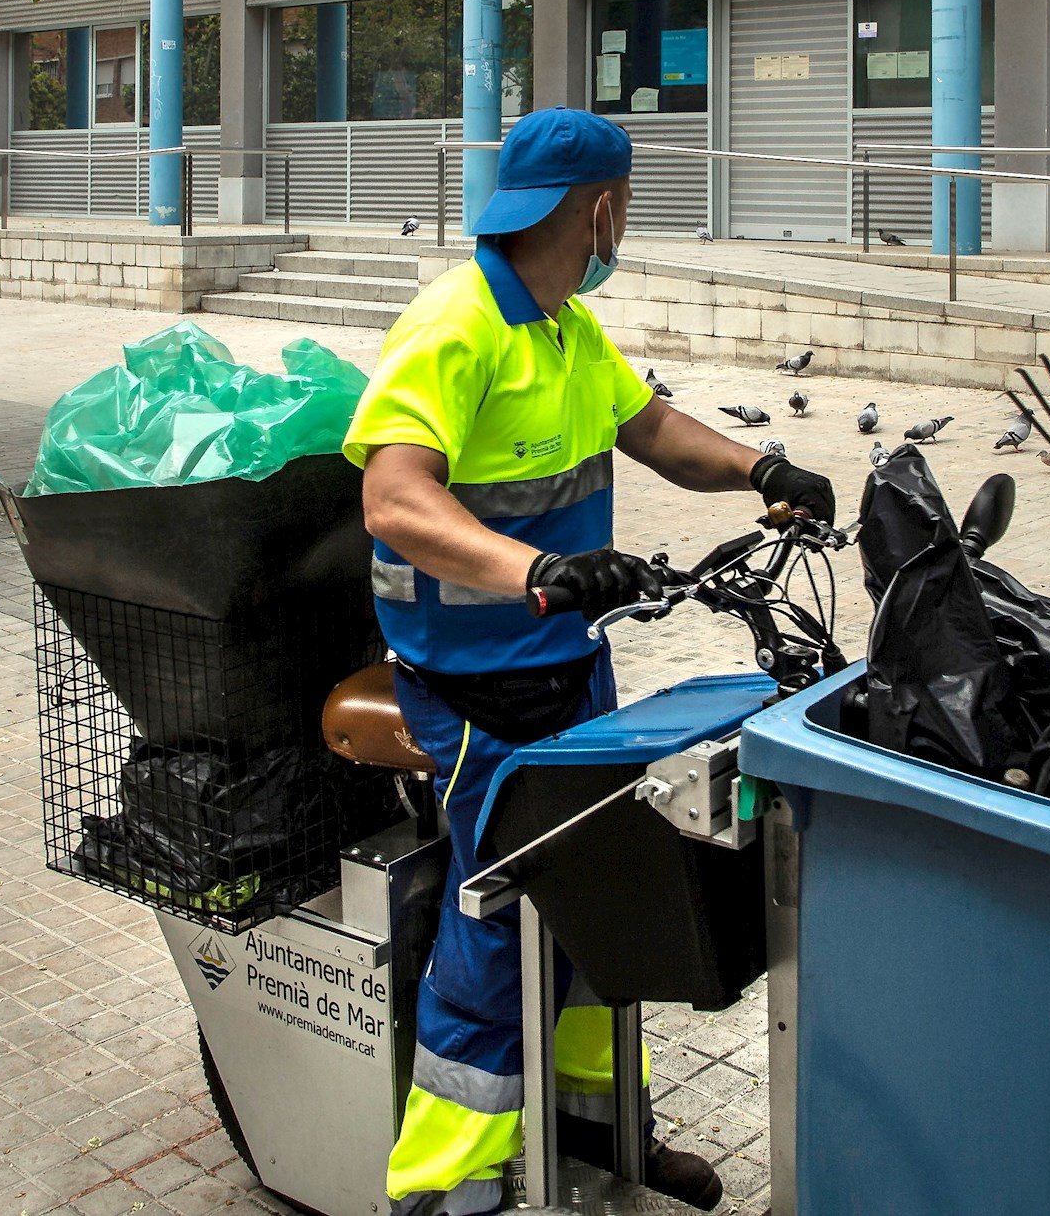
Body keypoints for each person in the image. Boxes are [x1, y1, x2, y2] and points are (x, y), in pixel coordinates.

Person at [345, 107, 834, 1216]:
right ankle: (439, 1183)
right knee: (501, 916)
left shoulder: (563, 326)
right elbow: (393, 498)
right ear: (600, 206)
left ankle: (598, 1127)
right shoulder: (457, 323)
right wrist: (536, 571)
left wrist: (766, 468)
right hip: (470, 685)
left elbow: (649, 428)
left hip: (568, 666)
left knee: (600, 901)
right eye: (626, 204)